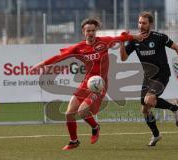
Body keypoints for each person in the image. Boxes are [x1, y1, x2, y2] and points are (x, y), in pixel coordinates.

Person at [30, 18, 144, 150]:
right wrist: (42, 64)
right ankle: (74, 141)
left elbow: (119, 38)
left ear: (96, 31)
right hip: (86, 83)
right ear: (83, 32)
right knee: (69, 113)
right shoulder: (79, 47)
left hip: (99, 85)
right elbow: (59, 57)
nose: (91, 33)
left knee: (83, 111)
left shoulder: (104, 42)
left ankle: (95, 127)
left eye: (93, 30)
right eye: (88, 31)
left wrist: (134, 36)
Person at [120, 11, 178, 146]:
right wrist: (121, 43)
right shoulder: (134, 40)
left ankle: (175, 108)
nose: (141, 25)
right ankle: (156, 135)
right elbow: (123, 58)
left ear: (150, 24)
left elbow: (176, 47)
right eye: (139, 22)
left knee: (149, 100)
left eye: (144, 23)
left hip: (162, 74)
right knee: (144, 109)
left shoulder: (159, 37)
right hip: (148, 77)